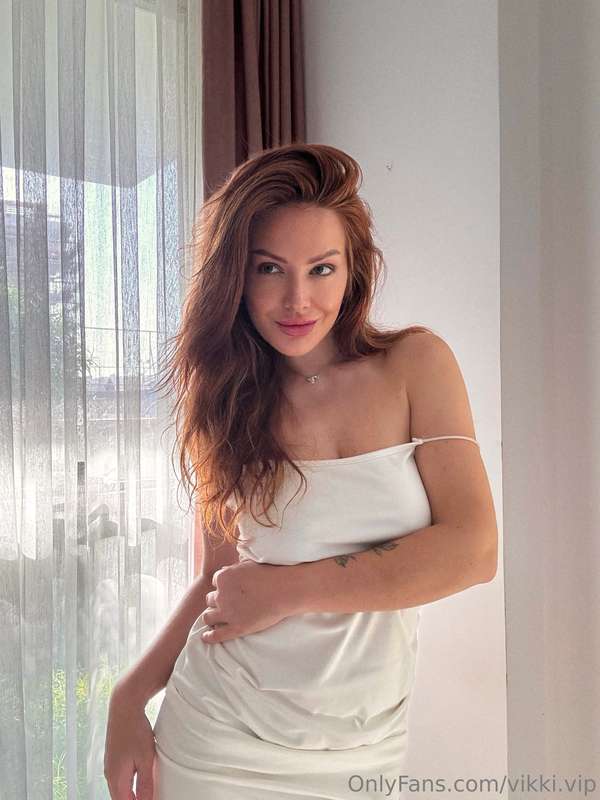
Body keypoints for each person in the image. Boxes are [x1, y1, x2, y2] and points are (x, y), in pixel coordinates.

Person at [103, 143, 498, 800]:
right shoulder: (227, 402)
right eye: (269, 268)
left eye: (321, 269)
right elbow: (220, 582)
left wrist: (288, 592)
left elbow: (474, 550)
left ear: (353, 271)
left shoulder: (415, 365)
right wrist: (127, 697)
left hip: (362, 744)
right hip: (219, 734)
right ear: (236, 277)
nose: (297, 299)